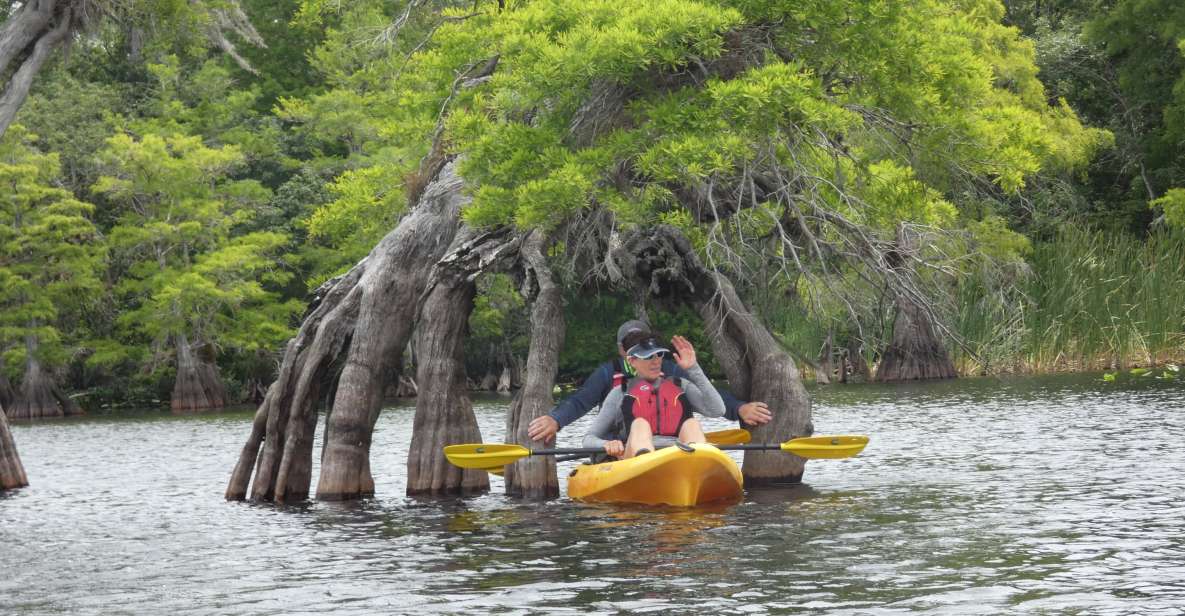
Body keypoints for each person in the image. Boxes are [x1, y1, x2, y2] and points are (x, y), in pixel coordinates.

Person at [526, 319, 772, 443]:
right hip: (623, 444)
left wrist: (739, 408)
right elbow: (580, 402)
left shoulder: (670, 371)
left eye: (650, 349)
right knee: (640, 427)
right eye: (634, 346)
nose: (653, 361)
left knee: (692, 426)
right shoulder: (608, 375)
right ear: (624, 352)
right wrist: (556, 420)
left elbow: (709, 397)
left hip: (672, 447)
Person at [584, 332, 723, 458]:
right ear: (632, 361)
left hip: (679, 457)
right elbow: (589, 439)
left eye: (659, 355)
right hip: (636, 460)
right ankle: (646, 461)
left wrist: (693, 368)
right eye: (648, 356)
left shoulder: (681, 386)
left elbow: (717, 410)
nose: (656, 361)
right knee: (640, 424)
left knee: (691, 424)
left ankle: (696, 464)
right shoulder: (620, 393)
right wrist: (607, 444)